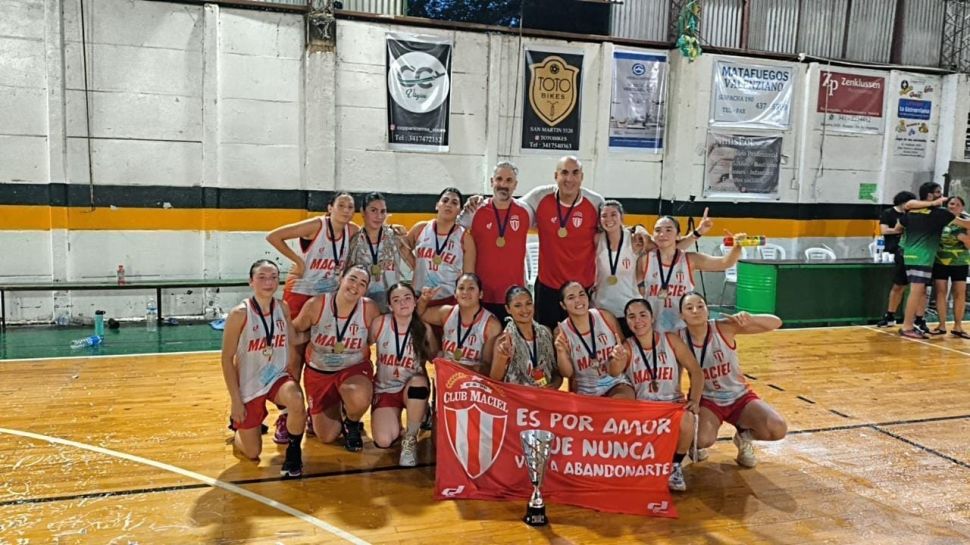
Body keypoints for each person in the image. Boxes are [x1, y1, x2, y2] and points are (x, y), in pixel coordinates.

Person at [266, 192, 358, 443]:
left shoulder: (352, 231)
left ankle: (317, 410)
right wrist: (298, 261)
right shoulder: (316, 226)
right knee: (294, 358)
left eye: (350, 206)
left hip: (327, 299)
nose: (346, 210)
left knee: (321, 353)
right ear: (330, 208)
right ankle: (287, 414)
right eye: (341, 205)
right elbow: (273, 236)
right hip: (300, 294)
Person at [678, 292, 787, 468]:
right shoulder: (679, 339)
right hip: (707, 400)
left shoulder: (723, 327)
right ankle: (696, 443)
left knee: (778, 428)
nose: (696, 310)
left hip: (740, 396)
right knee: (701, 439)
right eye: (689, 308)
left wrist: (751, 318)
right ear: (681, 315)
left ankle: (744, 436)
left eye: (700, 306)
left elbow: (776, 322)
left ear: (708, 310)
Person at [220, 260, 305, 478]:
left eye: (273, 277)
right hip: (249, 383)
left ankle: (294, 452)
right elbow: (227, 359)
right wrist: (236, 401)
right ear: (251, 282)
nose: (268, 282)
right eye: (262, 277)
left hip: (276, 376)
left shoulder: (282, 307)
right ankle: (238, 428)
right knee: (252, 453)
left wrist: (321, 332)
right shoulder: (239, 314)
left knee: (296, 398)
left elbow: (294, 338)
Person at [610, 298, 702, 491]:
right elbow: (613, 371)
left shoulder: (671, 340)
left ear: (652, 318)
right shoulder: (626, 347)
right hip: (645, 408)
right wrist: (616, 359)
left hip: (672, 405)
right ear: (627, 321)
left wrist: (694, 399)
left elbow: (696, 371)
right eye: (631, 317)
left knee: (687, 419)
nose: (638, 320)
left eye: (643, 315)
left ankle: (675, 465)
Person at [292, 265, 380, 452]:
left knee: (358, 396)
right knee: (326, 436)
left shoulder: (369, 309)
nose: (355, 286)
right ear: (341, 279)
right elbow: (295, 330)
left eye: (362, 283)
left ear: (366, 289)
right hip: (319, 371)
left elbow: (373, 338)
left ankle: (352, 422)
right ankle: (334, 405)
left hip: (353, 367)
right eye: (352, 279)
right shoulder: (317, 304)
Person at [370, 283, 437, 466]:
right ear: (390, 306)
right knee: (384, 441)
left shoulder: (424, 329)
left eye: (407, 298)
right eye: (396, 300)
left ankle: (410, 437)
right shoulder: (379, 323)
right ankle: (409, 417)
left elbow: (435, 358)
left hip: (412, 388)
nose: (403, 303)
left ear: (415, 302)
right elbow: (361, 349)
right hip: (385, 389)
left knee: (418, 384)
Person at [641, 216, 743, 332]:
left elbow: (725, 262)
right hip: (653, 328)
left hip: (683, 329)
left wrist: (737, 246)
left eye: (668, 230)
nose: (662, 234)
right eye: (658, 230)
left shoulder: (690, 259)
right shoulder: (645, 260)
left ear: (678, 236)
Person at [898, 183, 970, 339]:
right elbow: (967, 224)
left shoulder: (913, 210)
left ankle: (911, 324)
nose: (942, 196)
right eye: (938, 193)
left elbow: (901, 221)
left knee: (916, 292)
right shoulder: (940, 214)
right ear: (930, 195)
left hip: (910, 255)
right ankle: (907, 327)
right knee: (916, 292)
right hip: (923, 256)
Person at [467, 162, 533, 322]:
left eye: (509, 180)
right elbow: (453, 233)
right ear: (492, 182)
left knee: (510, 337)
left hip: (513, 296)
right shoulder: (475, 211)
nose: (503, 184)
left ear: (515, 185)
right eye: (499, 179)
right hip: (481, 293)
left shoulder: (526, 211)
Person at [553, 281, 634, 399]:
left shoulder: (605, 316)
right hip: (586, 389)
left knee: (621, 401)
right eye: (571, 297)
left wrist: (621, 357)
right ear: (563, 305)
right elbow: (567, 374)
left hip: (615, 382)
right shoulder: (561, 332)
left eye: (582, 294)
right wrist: (561, 352)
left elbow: (624, 346)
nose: (578, 300)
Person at [344, 192, 416, 314]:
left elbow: (416, 266)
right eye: (373, 210)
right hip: (361, 305)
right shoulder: (354, 241)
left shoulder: (396, 237)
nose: (379, 216)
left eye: (383, 211)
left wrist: (413, 292)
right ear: (362, 211)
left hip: (390, 305)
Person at [419, 273, 501, 375]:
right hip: (444, 374)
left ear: (480, 294)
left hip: (472, 379)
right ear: (455, 294)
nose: (465, 292)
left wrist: (455, 366)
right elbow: (419, 314)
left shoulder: (491, 324)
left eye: (471, 288)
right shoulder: (446, 312)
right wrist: (424, 299)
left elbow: (487, 368)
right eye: (461, 288)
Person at [408, 188, 475, 309]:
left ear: (460, 210)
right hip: (418, 296)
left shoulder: (465, 238)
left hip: (448, 300)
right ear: (437, 205)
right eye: (445, 200)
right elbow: (401, 248)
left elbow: (468, 278)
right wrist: (415, 265)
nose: (448, 204)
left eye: (454, 202)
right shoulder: (421, 228)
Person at [490, 285, 563, 389]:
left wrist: (554, 385)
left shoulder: (546, 333)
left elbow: (557, 373)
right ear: (508, 309)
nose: (524, 310)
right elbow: (494, 379)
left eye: (528, 303)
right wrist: (502, 358)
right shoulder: (504, 340)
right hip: (517, 396)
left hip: (544, 395)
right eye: (518, 305)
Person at [930, 196, 970, 338]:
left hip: (960, 262)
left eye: (957, 204)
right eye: (951, 204)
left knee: (959, 293)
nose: (954, 206)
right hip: (940, 260)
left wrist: (962, 237)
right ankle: (941, 325)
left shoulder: (966, 221)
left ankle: (958, 326)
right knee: (941, 292)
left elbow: (969, 244)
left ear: (962, 207)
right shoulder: (940, 219)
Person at [876, 191, 917, 328]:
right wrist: (899, 230)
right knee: (898, 285)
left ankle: (916, 317)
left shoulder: (913, 215)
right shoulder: (888, 213)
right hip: (893, 248)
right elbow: (884, 230)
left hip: (911, 252)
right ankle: (890, 315)